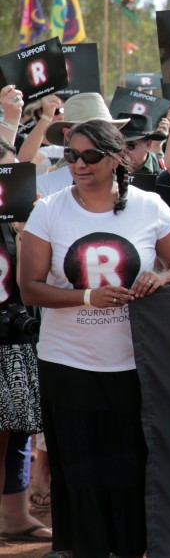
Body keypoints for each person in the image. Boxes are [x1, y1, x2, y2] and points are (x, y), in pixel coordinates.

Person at [20, 119, 170, 558]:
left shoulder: (151, 206)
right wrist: (86, 296)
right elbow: (30, 288)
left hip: (136, 364)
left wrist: (160, 277)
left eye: (90, 156)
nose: (78, 164)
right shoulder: (50, 210)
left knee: (129, 468)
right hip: (67, 362)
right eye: (71, 156)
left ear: (118, 158)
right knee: (78, 470)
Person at [0, 139, 50, 543]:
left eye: (10, 171)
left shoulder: (20, 221)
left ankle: (14, 515)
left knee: (18, 429)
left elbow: (28, 285)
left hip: (14, 336)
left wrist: (22, 232)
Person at [34, 93, 130, 197]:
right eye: (86, 131)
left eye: (92, 155)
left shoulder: (140, 198)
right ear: (67, 133)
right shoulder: (44, 187)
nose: (80, 165)